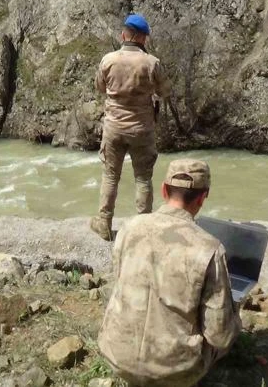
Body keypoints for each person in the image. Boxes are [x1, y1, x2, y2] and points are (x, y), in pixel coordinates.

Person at [98, 159, 242, 387]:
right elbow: (219, 336)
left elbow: (119, 282)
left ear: (164, 190)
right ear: (203, 197)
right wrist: (236, 317)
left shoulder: (128, 228)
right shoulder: (210, 248)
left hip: (116, 356)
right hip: (175, 373)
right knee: (227, 326)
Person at [90, 13, 170, 241]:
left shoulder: (108, 60)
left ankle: (104, 223)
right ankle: (143, 228)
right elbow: (165, 91)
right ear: (143, 38)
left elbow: (100, 87)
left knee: (110, 175)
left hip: (114, 126)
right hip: (142, 128)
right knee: (143, 178)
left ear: (124, 34)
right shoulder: (152, 63)